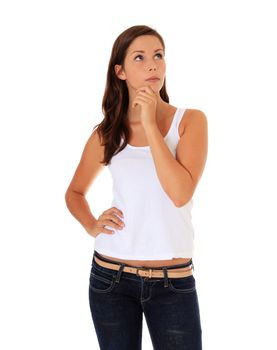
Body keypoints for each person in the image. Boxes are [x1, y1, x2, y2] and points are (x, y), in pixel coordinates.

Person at [65, 24, 208, 350]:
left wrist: (148, 122)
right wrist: (91, 224)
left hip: (173, 281)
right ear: (121, 71)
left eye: (158, 55)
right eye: (140, 57)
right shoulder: (108, 133)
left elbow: (179, 193)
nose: (153, 65)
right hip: (110, 277)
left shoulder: (190, 121)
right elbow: (74, 193)